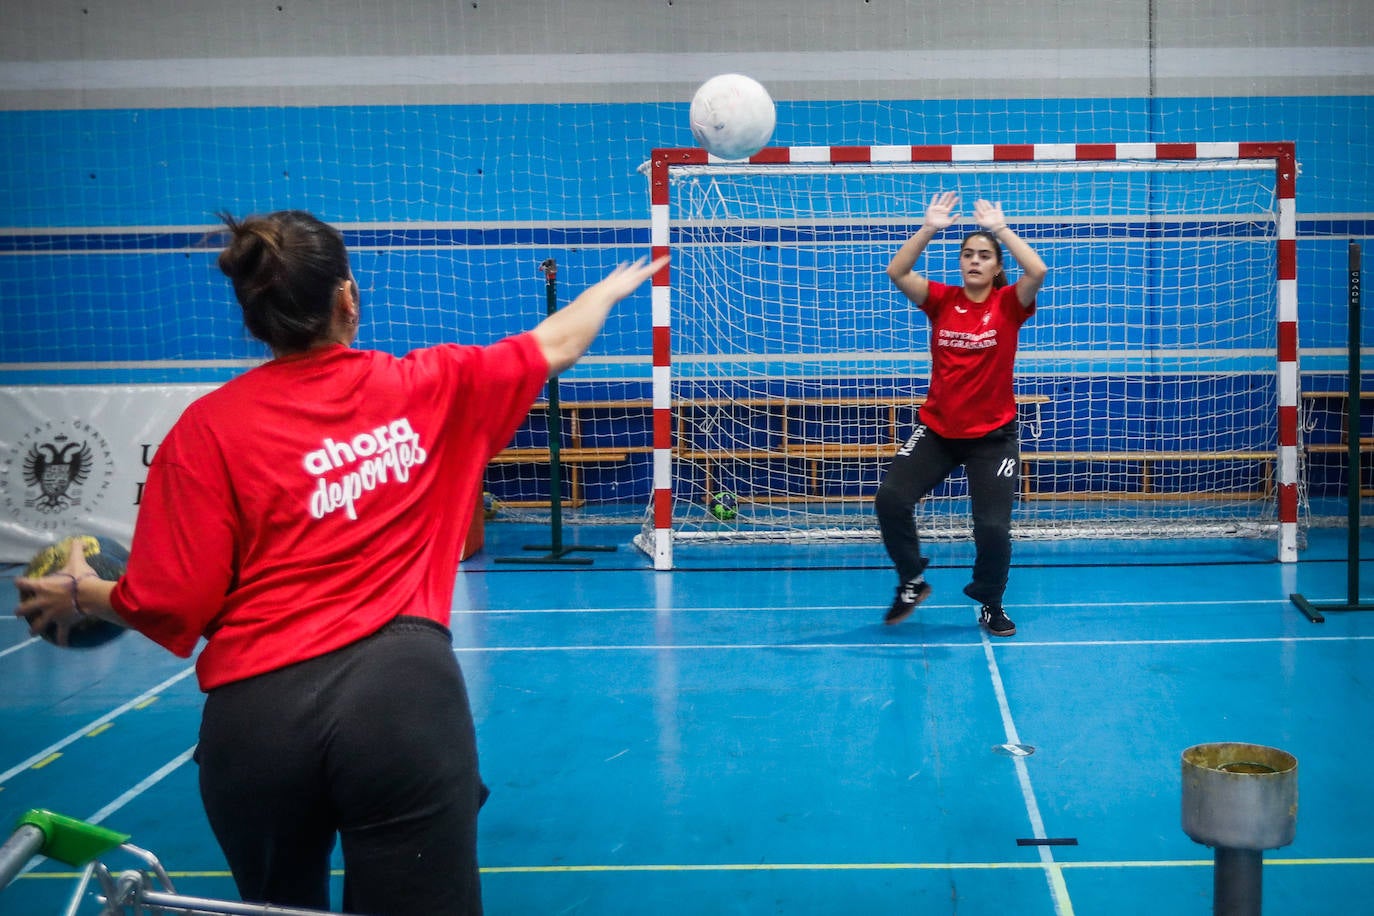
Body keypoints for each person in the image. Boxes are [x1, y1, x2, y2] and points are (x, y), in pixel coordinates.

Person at [14, 209, 667, 916]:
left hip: (254, 723)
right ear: (347, 298)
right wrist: (607, 290)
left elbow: (169, 601)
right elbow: (556, 342)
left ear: (254, 318)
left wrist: (83, 593)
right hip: (400, 699)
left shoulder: (204, 430)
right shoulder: (432, 382)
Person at [875, 191, 1047, 636]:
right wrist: (929, 228)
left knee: (992, 528)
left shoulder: (1009, 304)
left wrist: (1001, 229)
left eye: (984, 255)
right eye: (968, 254)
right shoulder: (941, 299)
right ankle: (912, 580)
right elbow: (897, 271)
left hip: (993, 438)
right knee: (890, 499)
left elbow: (1038, 271)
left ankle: (991, 601)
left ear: (996, 266)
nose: (974, 260)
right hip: (937, 431)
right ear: (960, 262)